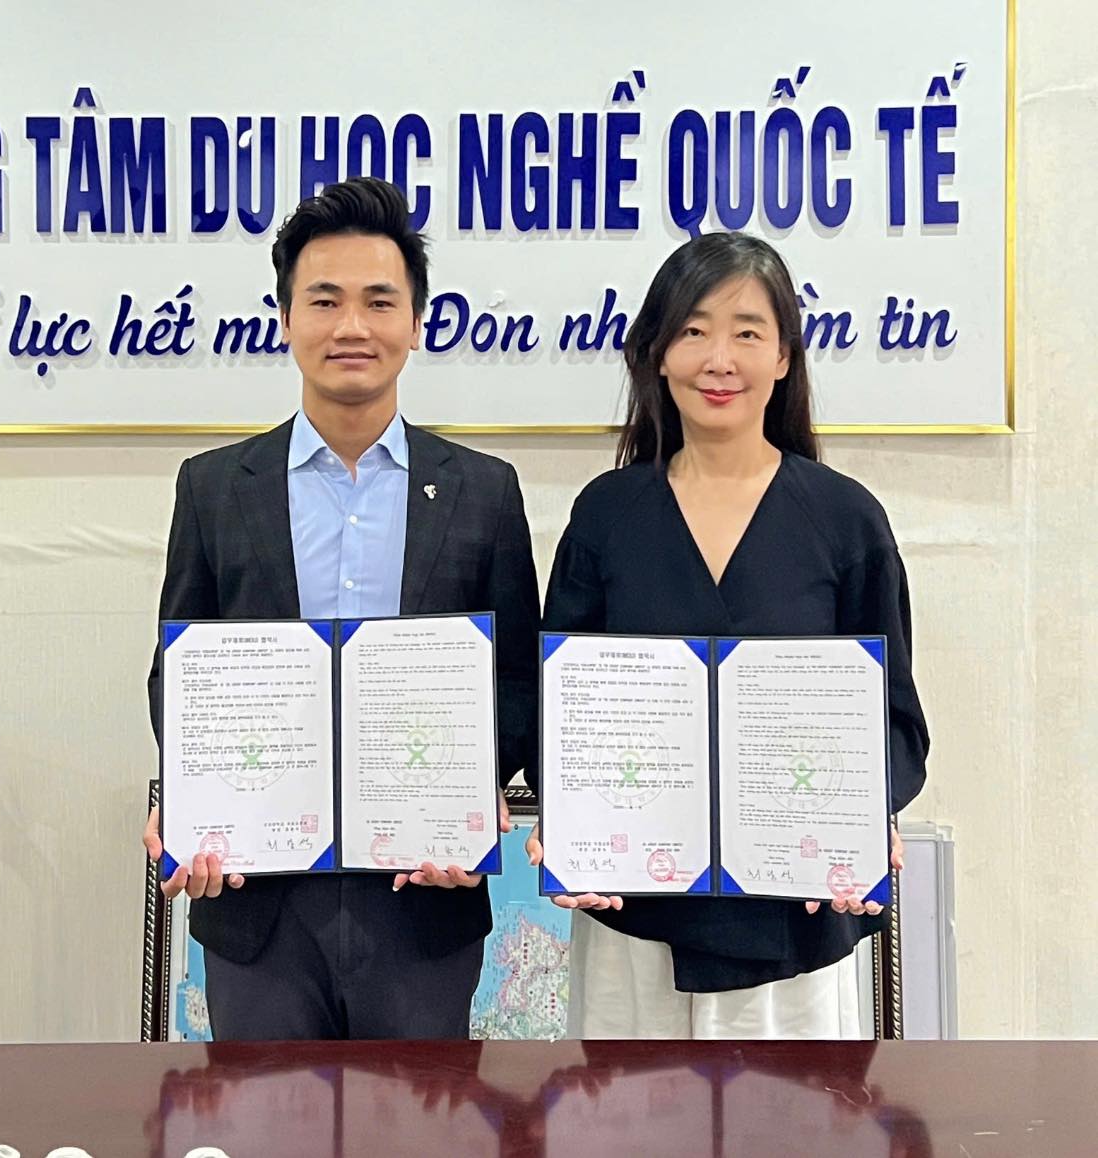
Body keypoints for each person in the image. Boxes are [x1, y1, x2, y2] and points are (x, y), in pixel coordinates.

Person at [142, 177, 540, 1040]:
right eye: (324, 301)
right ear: (286, 318)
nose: (351, 326)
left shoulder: (483, 492)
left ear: (417, 322)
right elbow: (178, 676)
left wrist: (470, 795)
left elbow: (516, 681)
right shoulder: (214, 488)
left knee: (422, 1114)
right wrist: (194, 797)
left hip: (423, 898)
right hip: (258, 904)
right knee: (260, 1110)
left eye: (378, 302)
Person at [526, 231, 929, 1039]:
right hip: (635, 918)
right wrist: (569, 819)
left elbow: (893, 720)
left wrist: (861, 816)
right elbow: (559, 705)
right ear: (657, 353)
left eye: (747, 332)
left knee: (796, 1110)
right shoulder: (607, 515)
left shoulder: (847, 520)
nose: (720, 359)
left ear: (783, 357)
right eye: (693, 330)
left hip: (795, 918)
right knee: (627, 1108)